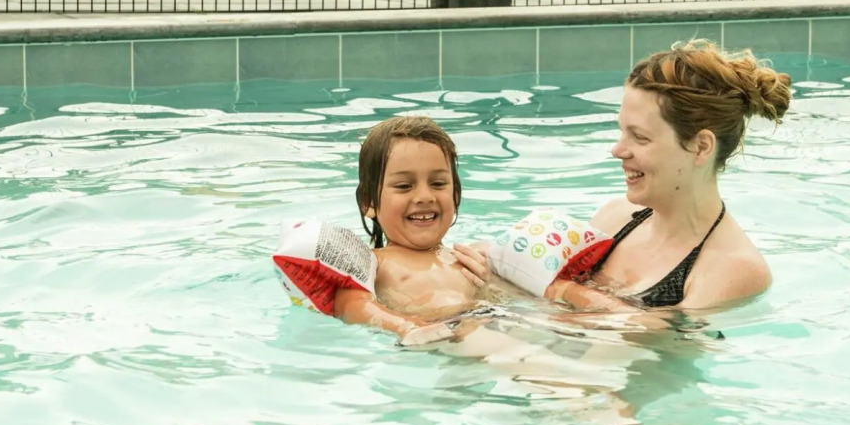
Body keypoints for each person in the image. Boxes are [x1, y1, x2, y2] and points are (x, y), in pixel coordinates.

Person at [547, 40, 791, 313]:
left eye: (639, 137)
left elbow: (662, 343)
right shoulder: (614, 219)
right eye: (622, 132)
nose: (617, 150)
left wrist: (568, 291)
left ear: (701, 147)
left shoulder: (734, 269)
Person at [334, 116, 494, 345]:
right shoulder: (373, 263)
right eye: (404, 186)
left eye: (438, 184)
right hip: (440, 333)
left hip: (490, 322)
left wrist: (489, 287)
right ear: (368, 202)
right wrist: (406, 327)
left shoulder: (469, 258)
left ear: (456, 195)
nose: (424, 197)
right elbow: (351, 306)